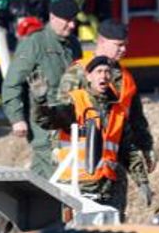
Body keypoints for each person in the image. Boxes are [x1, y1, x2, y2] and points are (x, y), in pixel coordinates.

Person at [57, 19, 155, 208]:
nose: (123, 50)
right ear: (101, 41)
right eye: (118, 45)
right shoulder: (79, 72)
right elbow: (59, 118)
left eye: (125, 45)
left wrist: (147, 148)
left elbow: (136, 121)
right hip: (81, 171)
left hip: (112, 170)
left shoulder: (126, 79)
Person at [36, 55, 134, 216]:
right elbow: (48, 119)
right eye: (98, 71)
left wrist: (141, 178)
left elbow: (127, 148)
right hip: (77, 185)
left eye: (107, 72)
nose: (103, 76)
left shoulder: (117, 109)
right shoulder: (76, 102)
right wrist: (40, 103)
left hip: (107, 186)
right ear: (88, 76)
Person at [1, 0, 83, 178]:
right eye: (67, 21)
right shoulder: (35, 43)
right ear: (53, 18)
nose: (72, 25)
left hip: (68, 124)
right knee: (59, 177)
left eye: (74, 21)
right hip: (44, 127)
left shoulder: (73, 46)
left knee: (43, 180)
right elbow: (12, 83)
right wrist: (17, 118)